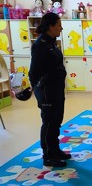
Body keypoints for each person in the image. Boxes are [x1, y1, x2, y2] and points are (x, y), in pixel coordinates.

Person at [29, 12, 71, 167]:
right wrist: (39, 93)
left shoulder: (52, 42)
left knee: (56, 121)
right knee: (49, 122)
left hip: (57, 89)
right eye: (59, 25)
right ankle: (48, 155)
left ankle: (55, 150)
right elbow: (33, 72)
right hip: (47, 91)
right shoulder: (40, 44)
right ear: (50, 26)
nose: (61, 28)